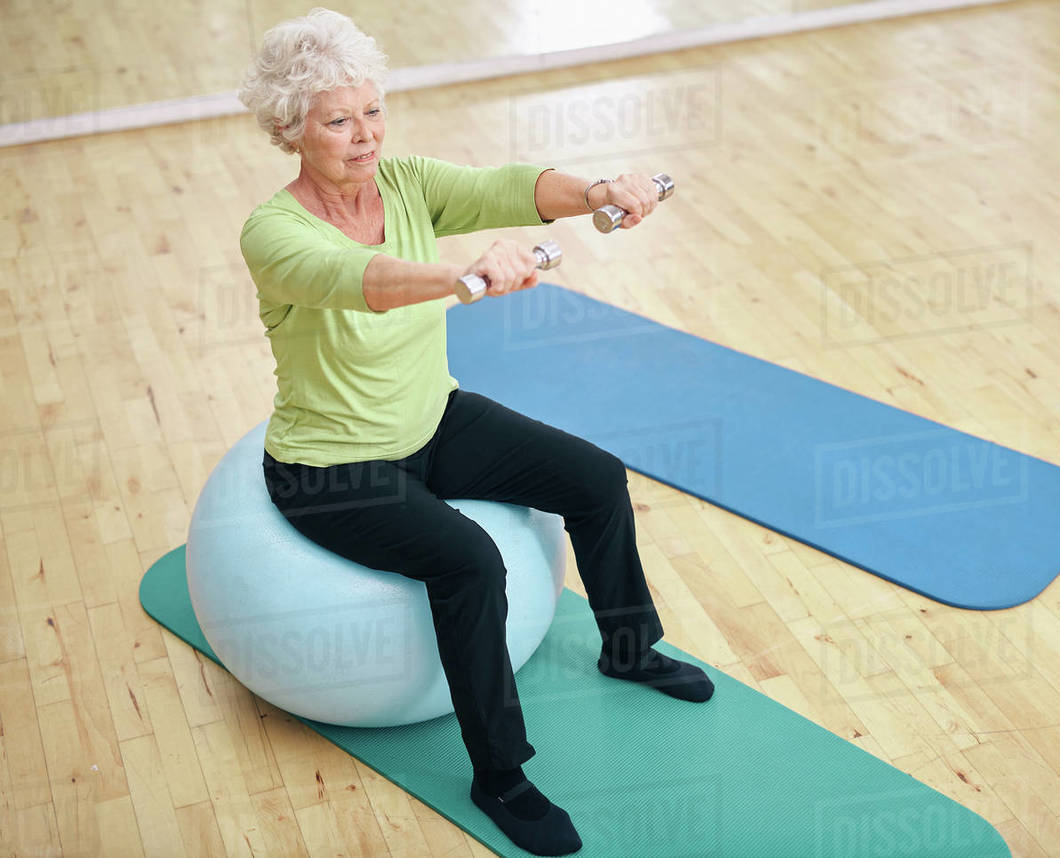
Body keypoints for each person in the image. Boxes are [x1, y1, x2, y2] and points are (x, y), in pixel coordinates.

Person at [237, 8, 714, 855]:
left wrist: (601, 192)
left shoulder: (408, 182)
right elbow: (367, 281)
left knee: (596, 478)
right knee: (470, 561)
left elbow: (512, 187)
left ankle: (631, 649)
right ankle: (501, 775)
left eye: (372, 111)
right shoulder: (274, 234)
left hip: (432, 418)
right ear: (290, 129)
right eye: (337, 120)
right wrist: (464, 274)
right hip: (330, 466)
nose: (364, 136)